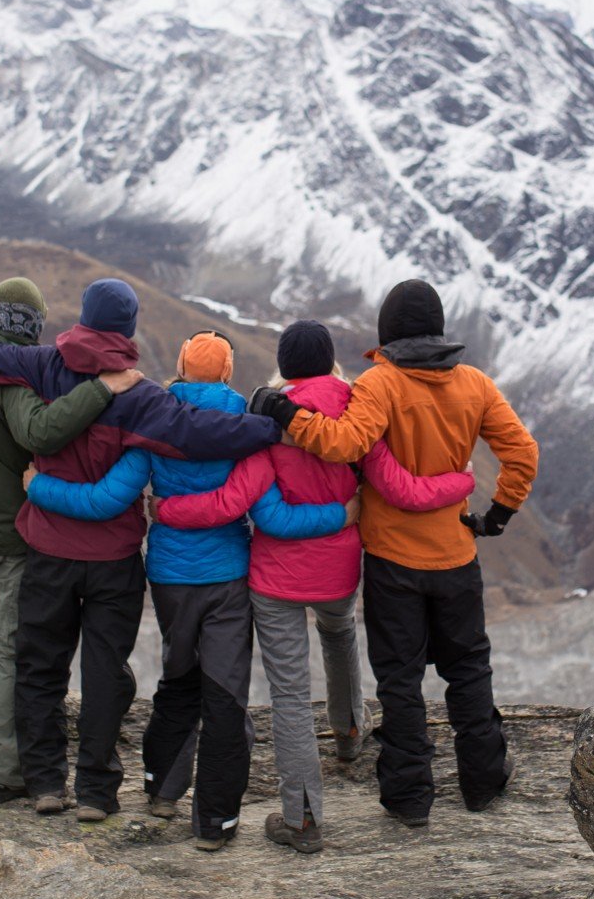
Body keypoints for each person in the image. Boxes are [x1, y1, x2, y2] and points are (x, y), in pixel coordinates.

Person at [0, 279, 280, 821]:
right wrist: (269, 426)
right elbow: (198, 434)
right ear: (129, 329)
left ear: (83, 318)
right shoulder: (140, 395)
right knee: (102, 673)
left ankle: (46, 782)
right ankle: (96, 791)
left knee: (39, 666)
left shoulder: (44, 366)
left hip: (47, 548)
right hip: (113, 560)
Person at [156, 319, 477, 853]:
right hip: (338, 569)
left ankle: (302, 819)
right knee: (339, 635)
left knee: (288, 695)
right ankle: (350, 731)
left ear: (283, 365)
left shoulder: (267, 419)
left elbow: (260, 511)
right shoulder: (356, 411)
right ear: (329, 361)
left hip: (276, 579)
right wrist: (459, 481)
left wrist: (165, 509)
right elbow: (396, 484)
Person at [24, 330, 351, 851]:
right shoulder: (247, 427)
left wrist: (37, 486)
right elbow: (247, 506)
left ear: (179, 365)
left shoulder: (154, 424)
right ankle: (215, 823)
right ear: (227, 373)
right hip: (227, 576)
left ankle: (161, 791)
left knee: (178, 681)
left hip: (171, 578)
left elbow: (109, 498)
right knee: (224, 693)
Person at [248, 281, 539, 827]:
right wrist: (498, 514)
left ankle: (409, 799)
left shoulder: (379, 384)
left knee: (400, 682)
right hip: (455, 556)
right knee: (470, 671)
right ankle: (483, 781)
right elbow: (521, 451)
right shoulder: (474, 384)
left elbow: (343, 444)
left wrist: (286, 416)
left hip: (392, 562)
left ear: (387, 332)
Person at [0, 277, 143, 806]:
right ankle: (4, 770)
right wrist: (101, 390)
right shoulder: (9, 380)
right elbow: (41, 433)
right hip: (17, 535)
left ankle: (25, 764)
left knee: (9, 646)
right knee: (16, 651)